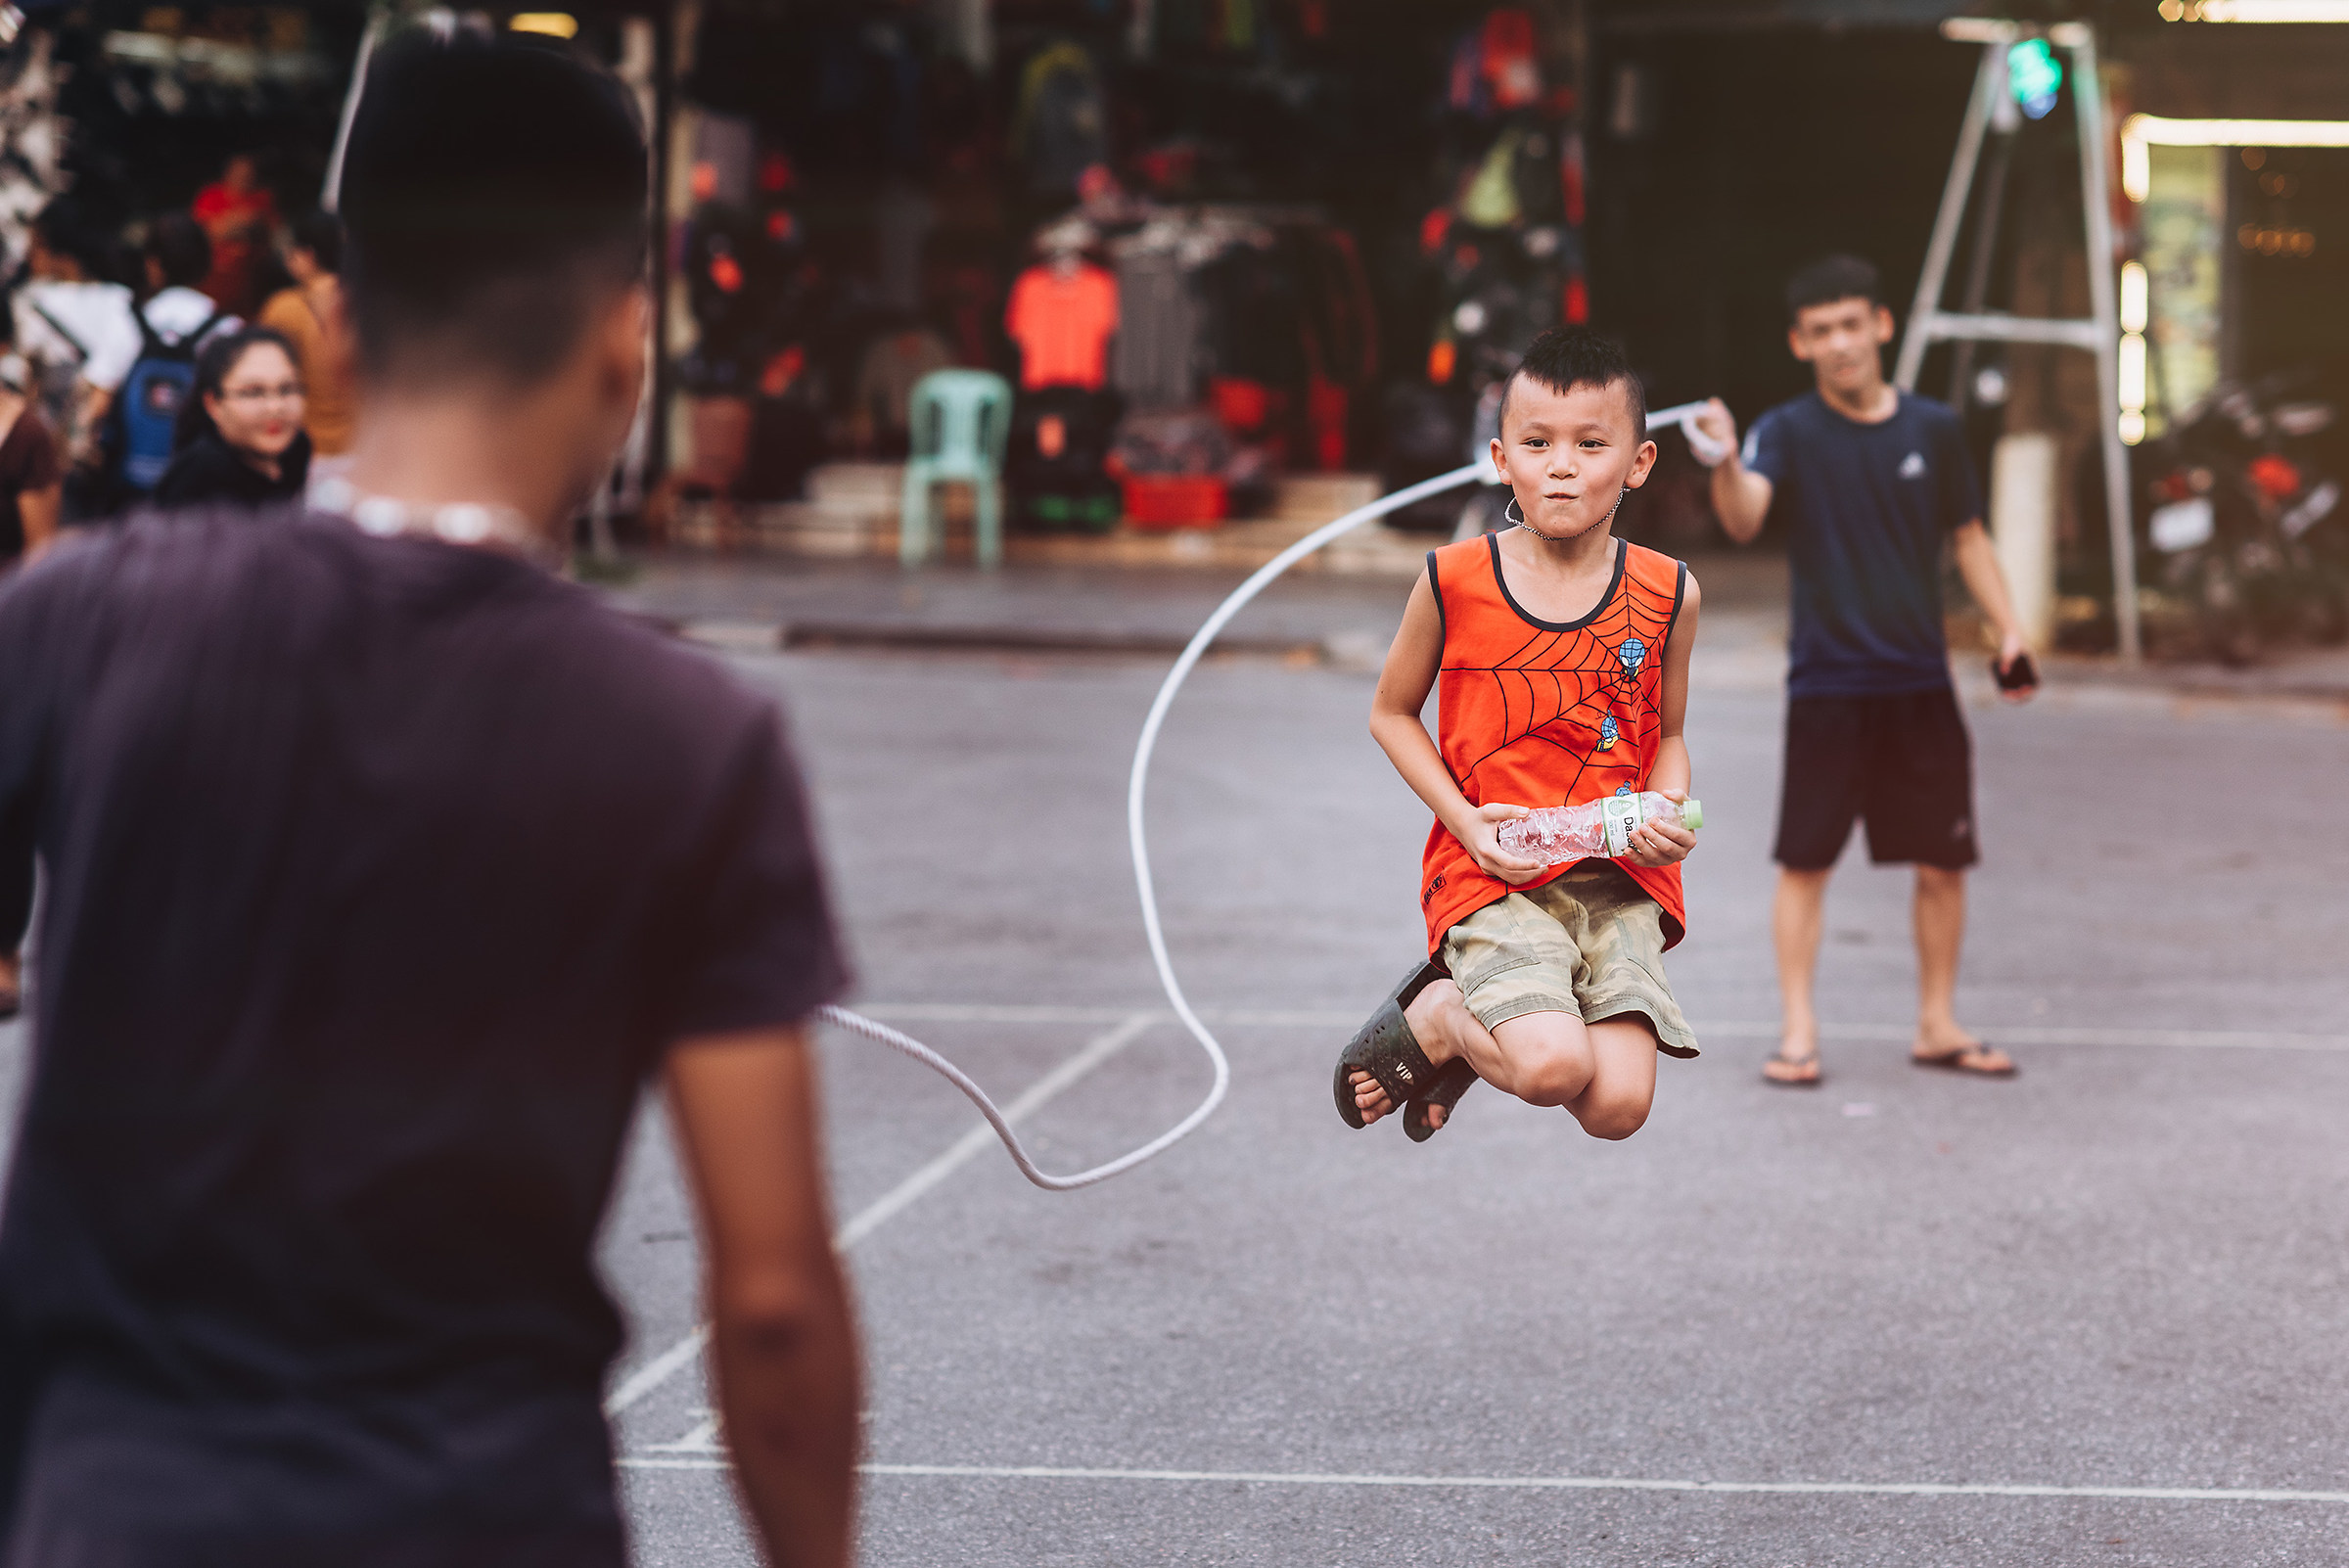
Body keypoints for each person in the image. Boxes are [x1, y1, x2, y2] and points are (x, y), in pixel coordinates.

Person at [0, 31, 858, 1568]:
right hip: (486, 1516)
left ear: (332, 324)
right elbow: (778, 1305)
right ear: (625, 343)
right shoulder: (688, 739)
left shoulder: (81, 617)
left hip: (115, 1516)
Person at [1336, 326, 1702, 1142]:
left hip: (1616, 877)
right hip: (1491, 869)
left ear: (1638, 463)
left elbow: (1668, 733)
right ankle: (1443, 1019)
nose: (1561, 464)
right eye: (1537, 443)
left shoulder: (1671, 590)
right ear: (1502, 458)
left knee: (1616, 1109)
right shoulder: (1452, 579)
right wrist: (1465, 821)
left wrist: (1665, 807)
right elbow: (1390, 714)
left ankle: (1481, 1031)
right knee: (1550, 1068)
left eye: (1590, 443)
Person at [1688, 254, 2038, 1087]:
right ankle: (1799, 1031)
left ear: (1881, 326)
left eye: (1852, 325)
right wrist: (1724, 461)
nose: (1840, 344)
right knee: (1805, 861)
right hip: (1828, 685)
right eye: (1821, 332)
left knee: (1944, 861)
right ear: (1799, 344)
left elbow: (1969, 539)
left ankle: (1937, 1022)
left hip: (1920, 681)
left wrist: (2010, 629)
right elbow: (1743, 521)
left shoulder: (1935, 429)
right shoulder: (1786, 431)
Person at [11, 202, 138, 503]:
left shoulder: (33, 301)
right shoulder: (123, 300)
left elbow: (31, 386)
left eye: (36, 245)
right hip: (111, 450)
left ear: (61, 255)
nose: (30, 256)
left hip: (51, 449)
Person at [150, 327, 311, 508]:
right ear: (213, 404)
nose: (275, 407)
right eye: (254, 392)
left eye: (287, 389)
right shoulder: (197, 479)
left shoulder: (296, 450)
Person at [257, 210, 359, 476]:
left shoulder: (283, 308)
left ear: (308, 254)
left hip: (306, 451)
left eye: (290, 252)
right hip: (363, 448)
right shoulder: (369, 304)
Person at [191, 152, 278, 317]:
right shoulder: (211, 195)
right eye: (239, 172)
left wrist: (228, 224)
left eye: (249, 174)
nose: (244, 177)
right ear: (228, 173)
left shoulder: (263, 198)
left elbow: (269, 235)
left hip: (247, 282)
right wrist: (240, 222)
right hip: (211, 277)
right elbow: (201, 235)